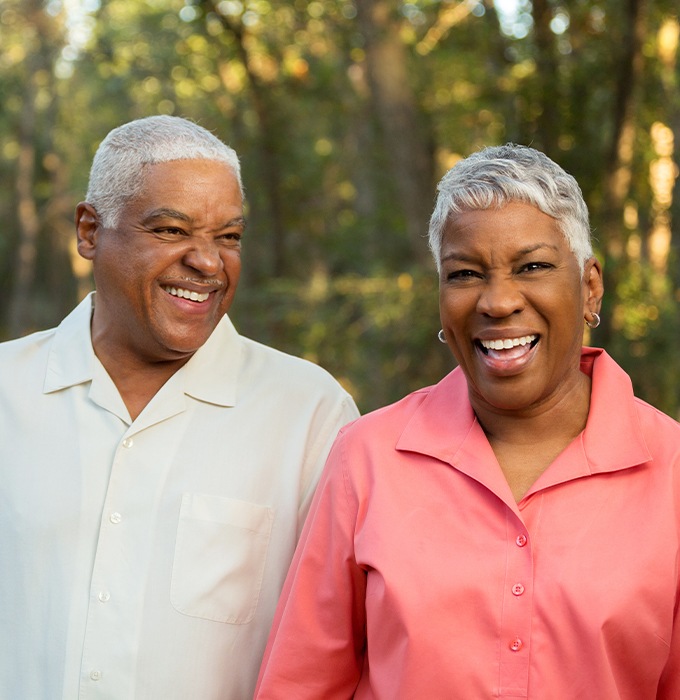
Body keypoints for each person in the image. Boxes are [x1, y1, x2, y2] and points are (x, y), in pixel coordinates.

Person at [255, 144, 680, 699]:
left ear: (590, 286)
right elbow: (300, 685)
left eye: (532, 267)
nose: (498, 302)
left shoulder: (671, 471)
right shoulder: (367, 458)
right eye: (465, 273)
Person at [0, 115, 359, 699]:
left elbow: (345, 648)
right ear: (90, 231)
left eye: (229, 236)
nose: (208, 263)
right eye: (171, 230)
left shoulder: (311, 415)